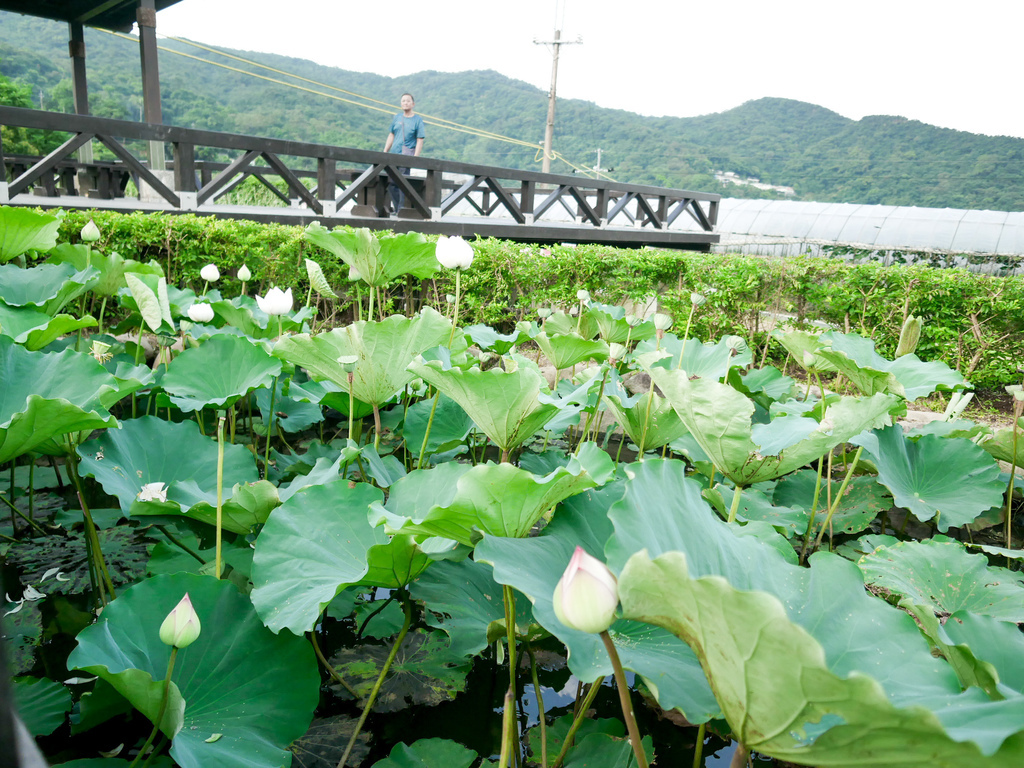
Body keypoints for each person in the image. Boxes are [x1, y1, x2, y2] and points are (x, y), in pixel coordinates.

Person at [383, 93, 425, 213]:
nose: (405, 103)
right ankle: (397, 208)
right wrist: (385, 151)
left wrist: (415, 157)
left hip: (406, 156)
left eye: (408, 101)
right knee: (391, 183)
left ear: (413, 104)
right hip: (394, 154)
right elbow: (391, 134)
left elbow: (420, 139)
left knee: (402, 182)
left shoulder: (417, 120)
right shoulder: (397, 117)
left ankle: (402, 209)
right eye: (403, 101)